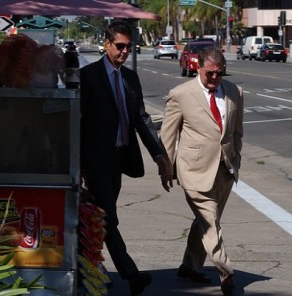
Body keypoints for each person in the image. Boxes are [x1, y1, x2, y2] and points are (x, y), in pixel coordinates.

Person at [80, 21, 169, 296]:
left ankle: (89, 266)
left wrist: (159, 155)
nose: (125, 51)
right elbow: (79, 122)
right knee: (108, 217)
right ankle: (131, 274)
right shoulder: (89, 76)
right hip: (95, 162)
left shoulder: (130, 78)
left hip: (119, 160)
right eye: (120, 46)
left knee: (102, 219)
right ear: (106, 44)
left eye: (129, 47)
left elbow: (141, 119)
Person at [160, 46, 243, 295]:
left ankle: (190, 266)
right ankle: (225, 271)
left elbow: (237, 132)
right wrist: (166, 168)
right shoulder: (181, 94)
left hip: (224, 169)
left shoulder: (235, 92)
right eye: (210, 74)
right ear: (198, 67)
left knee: (205, 221)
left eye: (220, 73)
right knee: (210, 221)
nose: (215, 78)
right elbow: (168, 135)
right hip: (193, 169)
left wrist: (236, 160)